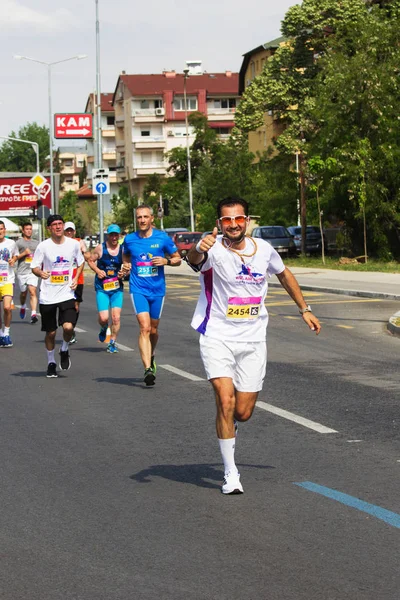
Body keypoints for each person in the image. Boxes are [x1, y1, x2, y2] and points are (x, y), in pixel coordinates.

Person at [186, 197, 321, 495]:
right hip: (217, 336)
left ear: (247, 221)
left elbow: (284, 274)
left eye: (238, 219)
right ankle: (230, 472)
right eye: (226, 220)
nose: (232, 224)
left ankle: (230, 424)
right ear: (219, 223)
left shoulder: (265, 251)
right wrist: (198, 248)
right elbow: (194, 261)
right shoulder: (213, 249)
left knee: (242, 412)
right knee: (225, 400)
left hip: (252, 339)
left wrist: (304, 308)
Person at [122, 205, 181, 385]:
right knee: (144, 328)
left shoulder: (162, 238)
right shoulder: (130, 239)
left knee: (153, 330)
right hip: (138, 288)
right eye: (139, 217)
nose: (142, 220)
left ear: (152, 219)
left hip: (157, 290)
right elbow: (125, 257)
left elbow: (178, 258)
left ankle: (151, 354)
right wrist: (126, 266)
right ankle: (148, 368)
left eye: (145, 217)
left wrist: (167, 261)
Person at [31, 214, 84, 378]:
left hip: (67, 293)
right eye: (54, 225)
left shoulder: (73, 244)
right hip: (47, 295)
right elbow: (34, 267)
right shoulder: (43, 246)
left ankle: (64, 349)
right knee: (51, 332)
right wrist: (41, 273)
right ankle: (51, 362)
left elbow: (81, 262)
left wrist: (75, 278)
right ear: (49, 228)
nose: (58, 227)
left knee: (68, 327)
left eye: (60, 224)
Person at [87, 224, 128, 353]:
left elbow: (127, 265)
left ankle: (112, 342)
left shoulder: (122, 250)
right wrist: (98, 271)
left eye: (116, 235)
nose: (114, 237)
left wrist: (123, 273)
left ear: (119, 235)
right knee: (104, 318)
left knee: (116, 318)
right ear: (108, 236)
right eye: (112, 235)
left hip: (116, 288)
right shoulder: (101, 248)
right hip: (102, 288)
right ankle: (104, 328)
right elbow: (90, 260)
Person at [63, 221, 89, 344]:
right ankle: (67, 326)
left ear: (74, 232)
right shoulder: (60, 243)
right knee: (65, 304)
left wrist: (85, 252)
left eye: (71, 231)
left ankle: (71, 328)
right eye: (67, 230)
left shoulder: (79, 242)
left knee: (76, 306)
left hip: (78, 279)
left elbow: (86, 253)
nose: (69, 232)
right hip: (63, 279)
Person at [15, 222, 39, 324]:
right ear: (23, 231)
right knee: (24, 293)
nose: (29, 231)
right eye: (27, 229)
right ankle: (23, 305)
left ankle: (33, 314)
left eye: (30, 229)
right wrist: (24, 253)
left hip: (32, 271)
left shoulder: (37, 243)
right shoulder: (18, 243)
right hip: (22, 271)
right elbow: (14, 257)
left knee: (32, 291)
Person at [0, 220, 18, 347]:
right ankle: (1, 334)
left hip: (7, 279)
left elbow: (16, 255)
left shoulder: (11, 243)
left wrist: (13, 260)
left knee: (7, 307)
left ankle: (6, 333)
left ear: (4, 230)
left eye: (1, 229)